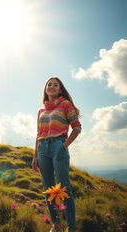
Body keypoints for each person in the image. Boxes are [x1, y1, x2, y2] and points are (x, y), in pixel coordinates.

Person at [31, 77, 81, 232]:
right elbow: (38, 134)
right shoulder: (41, 111)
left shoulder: (65, 105)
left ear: (60, 90)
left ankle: (71, 227)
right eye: (49, 84)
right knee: (48, 188)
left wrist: (64, 145)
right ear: (46, 89)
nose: (51, 86)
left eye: (55, 85)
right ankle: (56, 224)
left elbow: (77, 127)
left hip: (58, 145)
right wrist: (35, 156)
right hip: (42, 149)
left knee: (64, 187)